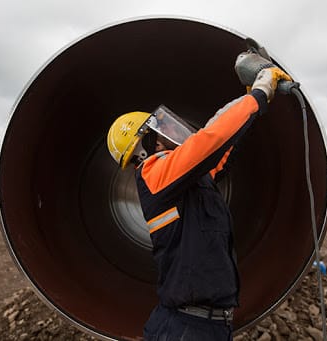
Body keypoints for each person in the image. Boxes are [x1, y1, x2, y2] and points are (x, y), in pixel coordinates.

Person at [106, 65, 291, 340]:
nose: (169, 130)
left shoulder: (184, 180)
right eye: (160, 127)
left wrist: (249, 97)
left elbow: (221, 146)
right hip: (185, 329)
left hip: (201, 327)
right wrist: (259, 96)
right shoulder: (153, 173)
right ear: (146, 143)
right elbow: (209, 142)